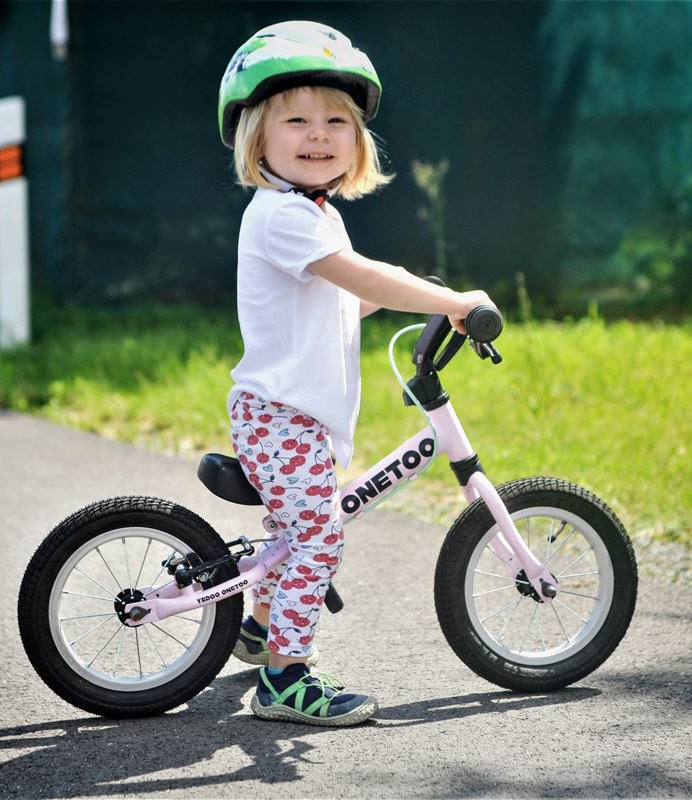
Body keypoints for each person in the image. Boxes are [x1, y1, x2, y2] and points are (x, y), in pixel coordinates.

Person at [218, 20, 494, 726]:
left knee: (291, 527)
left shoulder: (310, 213)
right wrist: (449, 300)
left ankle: (257, 630)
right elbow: (364, 275)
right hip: (281, 415)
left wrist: (418, 294)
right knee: (319, 535)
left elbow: (347, 294)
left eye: (336, 120)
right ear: (259, 138)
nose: (318, 133)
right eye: (297, 119)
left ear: (357, 142)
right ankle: (286, 677)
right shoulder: (285, 217)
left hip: (289, 413)